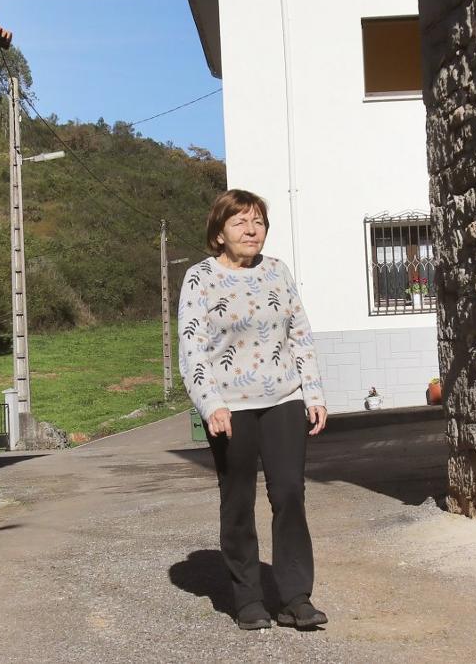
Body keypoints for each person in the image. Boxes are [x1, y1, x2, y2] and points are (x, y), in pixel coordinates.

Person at [178, 188, 329, 630]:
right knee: (238, 499)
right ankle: (247, 599)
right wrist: (210, 404)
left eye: (258, 221)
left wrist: (313, 394)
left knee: (289, 495)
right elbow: (193, 347)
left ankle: (296, 597)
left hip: (284, 399)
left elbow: (300, 335)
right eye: (240, 222)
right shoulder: (200, 278)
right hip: (230, 407)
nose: (251, 229)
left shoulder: (278, 272)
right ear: (219, 233)